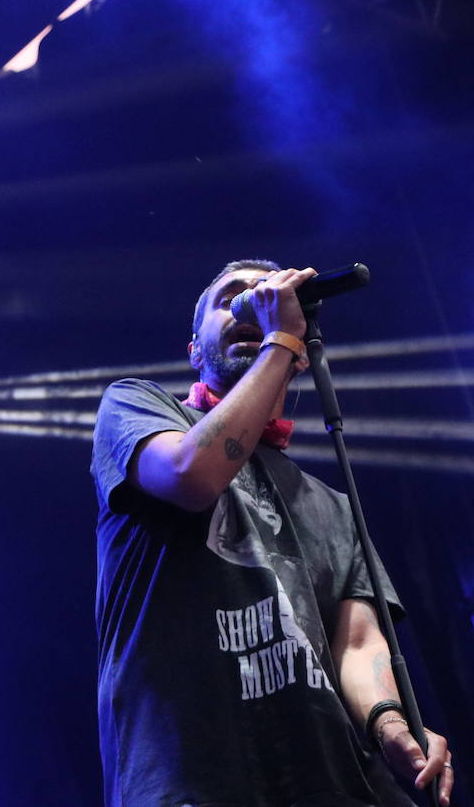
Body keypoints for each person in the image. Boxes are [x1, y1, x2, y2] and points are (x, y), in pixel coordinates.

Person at [91, 260, 455, 807]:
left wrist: (390, 723)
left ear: (304, 355)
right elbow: (193, 476)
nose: (252, 305)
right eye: (231, 300)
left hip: (333, 784)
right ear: (194, 349)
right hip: (194, 780)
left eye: (264, 295)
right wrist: (279, 336)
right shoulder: (135, 406)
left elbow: (356, 643)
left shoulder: (331, 504)